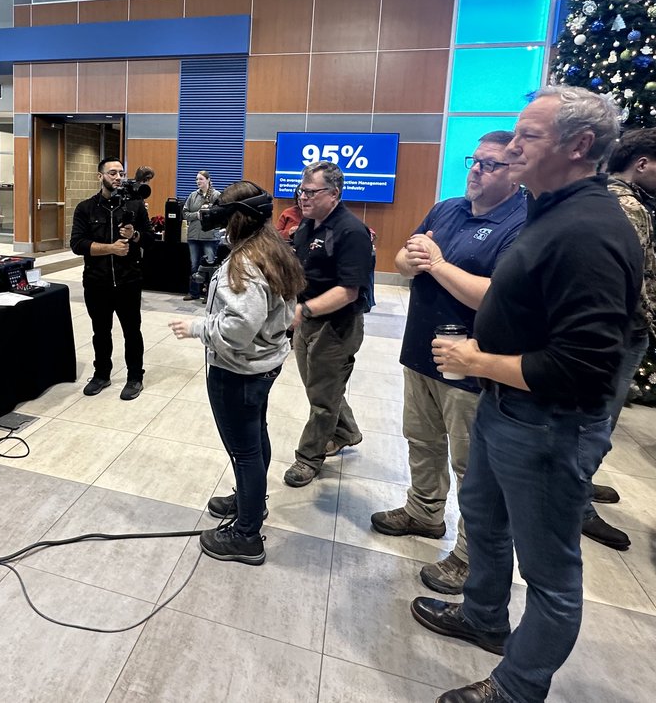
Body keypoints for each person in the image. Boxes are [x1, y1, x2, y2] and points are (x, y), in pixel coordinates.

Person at [410, 86, 641, 703]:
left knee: (550, 574)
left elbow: (586, 366)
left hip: (548, 424)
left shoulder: (590, 229)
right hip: (505, 408)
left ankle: (517, 686)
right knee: (485, 521)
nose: (510, 149)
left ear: (579, 146)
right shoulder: (549, 210)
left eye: (527, 137)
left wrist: (477, 359)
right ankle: (484, 616)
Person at [370, 130, 526, 595]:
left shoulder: (520, 222)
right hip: (420, 349)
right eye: (474, 160)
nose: (477, 170)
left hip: (470, 363)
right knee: (421, 439)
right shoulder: (447, 208)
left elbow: (498, 298)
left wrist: (436, 264)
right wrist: (411, 260)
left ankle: (469, 556)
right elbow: (401, 257)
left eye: (491, 164)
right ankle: (423, 512)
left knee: (471, 466)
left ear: (514, 171)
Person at [168, 182, 306, 565]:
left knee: (244, 451)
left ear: (234, 220)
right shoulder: (273, 248)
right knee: (254, 438)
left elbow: (238, 329)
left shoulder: (244, 262)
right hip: (264, 366)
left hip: (240, 371)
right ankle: (251, 504)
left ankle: (247, 536)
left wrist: (196, 327)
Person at [580, 126, 656, 551]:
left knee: (597, 421)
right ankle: (577, 505)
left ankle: (581, 484)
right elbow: (636, 277)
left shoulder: (604, 197)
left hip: (617, 331)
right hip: (621, 333)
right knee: (597, 422)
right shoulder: (628, 206)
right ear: (640, 164)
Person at [282, 161, 375, 489]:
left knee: (322, 396)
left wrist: (304, 310)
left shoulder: (351, 231)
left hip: (336, 326)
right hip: (306, 320)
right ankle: (346, 431)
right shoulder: (307, 226)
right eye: (301, 191)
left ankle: (309, 457)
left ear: (334, 194)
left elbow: (349, 292)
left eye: (310, 192)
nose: (303, 197)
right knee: (320, 387)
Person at [69, 159, 153, 401]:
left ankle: (135, 377)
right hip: (97, 282)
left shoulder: (136, 205)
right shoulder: (85, 208)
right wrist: (111, 248)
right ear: (100, 177)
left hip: (129, 281)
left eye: (122, 173)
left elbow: (149, 239)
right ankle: (101, 374)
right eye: (113, 172)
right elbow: (77, 244)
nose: (118, 177)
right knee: (100, 332)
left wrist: (134, 235)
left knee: (132, 331)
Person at [182, 170, 220, 301]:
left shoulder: (216, 195)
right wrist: (197, 215)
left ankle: (209, 295)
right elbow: (185, 214)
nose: (198, 181)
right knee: (194, 265)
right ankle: (193, 292)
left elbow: (220, 215)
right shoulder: (192, 196)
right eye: (197, 179)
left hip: (210, 237)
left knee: (210, 266)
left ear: (208, 180)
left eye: (201, 179)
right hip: (193, 236)